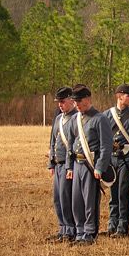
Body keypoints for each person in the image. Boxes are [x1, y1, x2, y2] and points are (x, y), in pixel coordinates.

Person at [66, 85, 112, 245]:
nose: (77, 104)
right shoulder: (75, 119)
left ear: (88, 99)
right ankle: (79, 233)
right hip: (77, 164)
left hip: (90, 166)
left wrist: (100, 167)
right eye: (75, 101)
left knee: (90, 202)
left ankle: (90, 233)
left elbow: (106, 146)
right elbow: (70, 145)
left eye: (79, 101)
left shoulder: (100, 119)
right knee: (76, 201)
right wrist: (69, 167)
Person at [102, 84, 129, 238]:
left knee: (123, 194)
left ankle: (122, 227)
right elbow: (104, 140)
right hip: (112, 159)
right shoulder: (107, 115)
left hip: (127, 159)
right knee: (113, 194)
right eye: (128, 96)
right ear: (120, 96)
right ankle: (112, 226)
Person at [47, 87, 78, 242]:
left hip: (67, 165)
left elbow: (72, 146)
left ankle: (70, 229)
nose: (60, 105)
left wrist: (69, 167)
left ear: (71, 101)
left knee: (67, 198)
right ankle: (63, 227)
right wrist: (51, 163)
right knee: (57, 198)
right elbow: (53, 141)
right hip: (57, 164)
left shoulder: (76, 118)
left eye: (63, 102)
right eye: (59, 102)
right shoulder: (59, 118)